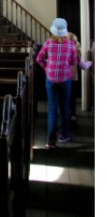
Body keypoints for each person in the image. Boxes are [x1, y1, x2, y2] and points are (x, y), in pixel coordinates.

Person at [36, 18, 77, 148]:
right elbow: (73, 62)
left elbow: (39, 59)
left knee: (52, 109)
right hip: (65, 79)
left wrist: (47, 67)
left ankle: (50, 141)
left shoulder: (47, 43)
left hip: (51, 79)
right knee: (64, 107)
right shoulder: (71, 44)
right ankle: (63, 135)